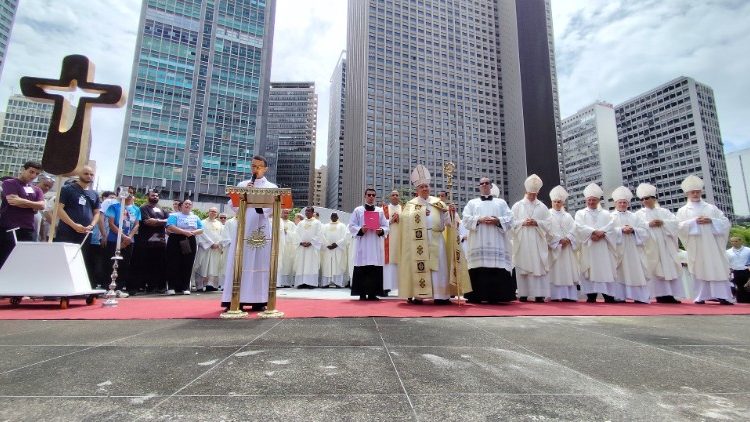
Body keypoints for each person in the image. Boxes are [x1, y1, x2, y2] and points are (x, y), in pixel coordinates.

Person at [398, 165, 470, 304]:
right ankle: (418, 295)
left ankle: (440, 295)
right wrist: (418, 214)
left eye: (426, 186)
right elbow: (404, 221)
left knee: (439, 268)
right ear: (417, 189)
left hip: (437, 238)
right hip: (418, 240)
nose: (425, 188)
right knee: (420, 267)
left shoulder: (439, 203)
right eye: (421, 187)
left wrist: (452, 212)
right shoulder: (411, 205)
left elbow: (449, 223)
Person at [221, 155, 277, 311]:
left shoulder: (272, 187)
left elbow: (272, 207)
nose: (256, 169)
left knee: (260, 262)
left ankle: (259, 300)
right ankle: (234, 299)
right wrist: (245, 195)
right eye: (253, 166)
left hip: (261, 228)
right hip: (244, 227)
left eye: (259, 166)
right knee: (240, 261)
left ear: (265, 169)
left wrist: (257, 200)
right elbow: (235, 206)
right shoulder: (243, 184)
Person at [676, 175, 734, 305]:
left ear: (701, 192)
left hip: (713, 245)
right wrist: (693, 222)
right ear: (687, 193)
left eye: (697, 191)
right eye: (693, 192)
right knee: (699, 267)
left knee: (717, 267)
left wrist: (711, 221)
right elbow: (678, 227)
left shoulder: (711, 208)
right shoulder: (683, 210)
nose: (695, 194)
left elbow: (725, 222)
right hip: (696, 245)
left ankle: (723, 296)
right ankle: (701, 296)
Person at [461, 176, 514, 303]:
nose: (484, 185)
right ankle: (477, 296)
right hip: (478, 241)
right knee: (479, 268)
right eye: (482, 183)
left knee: (496, 268)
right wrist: (479, 219)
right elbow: (466, 219)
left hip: (497, 241)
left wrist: (497, 220)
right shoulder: (472, 203)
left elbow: (511, 219)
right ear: (479, 186)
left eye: (487, 183)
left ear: (491, 186)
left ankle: (498, 297)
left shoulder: (501, 203)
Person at [635, 183, 685, 303]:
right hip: (650, 247)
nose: (645, 201)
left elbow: (675, 223)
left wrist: (663, 223)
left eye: (647, 198)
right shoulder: (638, 215)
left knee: (668, 267)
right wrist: (649, 224)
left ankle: (669, 294)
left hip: (665, 246)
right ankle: (655, 294)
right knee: (652, 269)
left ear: (653, 198)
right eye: (642, 199)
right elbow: (637, 228)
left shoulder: (664, 212)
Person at [575, 183, 622, 303]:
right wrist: (593, 232)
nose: (591, 202)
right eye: (589, 200)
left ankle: (608, 296)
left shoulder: (606, 214)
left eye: (594, 200)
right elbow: (579, 227)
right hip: (589, 247)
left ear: (598, 200)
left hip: (603, 248)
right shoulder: (580, 213)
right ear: (586, 200)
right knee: (590, 269)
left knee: (605, 269)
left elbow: (612, 227)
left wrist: (602, 234)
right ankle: (591, 296)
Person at [55, 165, 101, 288]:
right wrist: (74, 225)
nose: (89, 176)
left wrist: (91, 225)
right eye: (86, 174)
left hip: (85, 233)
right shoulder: (67, 189)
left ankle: (76, 288)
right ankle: (57, 288)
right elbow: (59, 209)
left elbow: (97, 213)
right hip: (67, 231)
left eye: (91, 174)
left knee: (81, 260)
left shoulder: (94, 194)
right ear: (80, 174)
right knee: (63, 259)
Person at [511, 174, 552, 303]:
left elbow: (549, 223)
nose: (532, 196)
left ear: (538, 192)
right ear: (526, 191)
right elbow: (511, 222)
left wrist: (537, 223)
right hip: (522, 240)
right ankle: (523, 293)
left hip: (537, 240)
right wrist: (523, 222)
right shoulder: (517, 206)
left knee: (537, 266)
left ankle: (539, 294)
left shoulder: (543, 207)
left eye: (534, 194)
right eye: (530, 194)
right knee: (523, 265)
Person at [0, 161, 45, 269]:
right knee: (5, 260)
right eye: (31, 172)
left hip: (28, 230)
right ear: (23, 170)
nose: (33, 176)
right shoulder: (9, 183)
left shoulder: (37, 189)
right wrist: (33, 206)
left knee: (23, 262)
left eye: (37, 174)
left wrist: (22, 201)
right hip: (9, 228)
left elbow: (42, 206)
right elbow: (12, 201)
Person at [610, 186, 650, 304]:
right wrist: (621, 230)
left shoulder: (635, 217)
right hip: (618, 249)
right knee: (619, 273)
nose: (622, 204)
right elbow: (608, 232)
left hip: (633, 250)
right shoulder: (610, 217)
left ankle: (639, 297)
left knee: (636, 271)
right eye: (620, 202)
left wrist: (633, 230)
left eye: (624, 202)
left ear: (628, 203)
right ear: (615, 203)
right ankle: (620, 296)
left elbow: (645, 231)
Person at [349, 189, 389, 300]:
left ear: (375, 197)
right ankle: (362, 294)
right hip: (363, 243)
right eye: (369, 195)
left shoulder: (380, 211)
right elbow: (351, 225)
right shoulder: (358, 210)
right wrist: (361, 229)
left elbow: (386, 226)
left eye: (373, 195)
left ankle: (372, 294)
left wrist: (380, 230)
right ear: (365, 196)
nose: (371, 197)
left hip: (375, 244)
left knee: (374, 268)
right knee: (362, 267)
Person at [104, 189, 141, 297]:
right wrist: (123, 236)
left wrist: (129, 237)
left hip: (129, 241)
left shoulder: (136, 209)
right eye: (127, 193)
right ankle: (109, 287)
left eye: (131, 193)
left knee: (125, 264)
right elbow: (111, 224)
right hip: (114, 239)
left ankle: (119, 288)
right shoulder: (114, 207)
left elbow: (137, 224)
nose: (129, 195)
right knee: (111, 263)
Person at [547, 186, 580, 302]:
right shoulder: (547, 215)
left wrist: (569, 239)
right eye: (555, 201)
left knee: (567, 270)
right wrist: (558, 240)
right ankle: (556, 295)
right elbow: (546, 231)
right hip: (555, 248)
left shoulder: (568, 216)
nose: (557, 203)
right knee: (556, 271)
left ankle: (569, 295)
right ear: (551, 202)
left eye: (559, 202)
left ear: (563, 203)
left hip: (567, 249)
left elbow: (574, 229)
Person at [165, 200, 203, 295]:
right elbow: (170, 226)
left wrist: (192, 232)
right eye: (186, 204)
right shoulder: (174, 215)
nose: (188, 205)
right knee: (173, 263)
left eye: (190, 204)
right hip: (175, 239)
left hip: (190, 239)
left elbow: (201, 229)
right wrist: (184, 232)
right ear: (181, 206)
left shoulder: (195, 217)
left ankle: (185, 287)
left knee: (188, 263)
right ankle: (171, 287)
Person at [137, 190, 168, 292]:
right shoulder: (143, 208)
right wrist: (161, 222)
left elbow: (169, 220)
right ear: (148, 196)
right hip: (146, 241)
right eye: (153, 195)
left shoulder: (161, 209)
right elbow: (147, 222)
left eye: (156, 195)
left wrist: (156, 221)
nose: (155, 197)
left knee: (159, 265)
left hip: (160, 241)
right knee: (146, 265)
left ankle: (159, 287)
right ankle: (147, 286)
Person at [194, 207, 228, 292]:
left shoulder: (220, 224)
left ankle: (211, 284)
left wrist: (218, 244)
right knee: (202, 265)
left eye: (215, 212)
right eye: (212, 211)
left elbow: (223, 235)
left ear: (217, 214)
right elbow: (200, 235)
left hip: (216, 249)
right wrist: (210, 244)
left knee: (214, 267)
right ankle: (200, 285)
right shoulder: (202, 222)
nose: (213, 213)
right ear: (208, 212)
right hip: (205, 248)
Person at [293, 206, 322, 288]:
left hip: (312, 248)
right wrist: (301, 243)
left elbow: (319, 234)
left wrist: (311, 242)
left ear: (313, 213)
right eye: (306, 211)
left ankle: (311, 283)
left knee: (311, 264)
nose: (307, 213)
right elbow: (296, 234)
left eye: (309, 211)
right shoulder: (301, 223)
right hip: (302, 247)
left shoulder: (317, 223)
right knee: (301, 264)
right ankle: (301, 282)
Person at [320, 212, 349, 288]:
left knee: (338, 265)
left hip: (338, 248)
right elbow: (322, 236)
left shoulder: (342, 226)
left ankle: (338, 282)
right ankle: (326, 282)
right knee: (327, 265)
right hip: (328, 249)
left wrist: (337, 244)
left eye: (335, 216)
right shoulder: (325, 226)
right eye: (332, 216)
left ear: (337, 217)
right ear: (330, 217)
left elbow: (345, 237)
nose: (333, 217)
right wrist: (327, 244)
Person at [383, 190, 402, 296]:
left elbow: (408, 222)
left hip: (400, 240)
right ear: (390, 197)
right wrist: (391, 220)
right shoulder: (384, 208)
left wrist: (400, 219)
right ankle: (386, 287)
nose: (395, 196)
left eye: (397, 195)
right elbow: (380, 223)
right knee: (388, 264)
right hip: (388, 240)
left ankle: (401, 288)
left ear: (399, 197)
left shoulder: (404, 209)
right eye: (393, 195)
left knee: (400, 263)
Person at [277, 209, 297, 288]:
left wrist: (287, 233)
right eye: (284, 213)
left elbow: (295, 235)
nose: (286, 214)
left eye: (287, 213)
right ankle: (278, 282)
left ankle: (286, 282)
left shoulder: (291, 224)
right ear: (281, 213)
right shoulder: (278, 221)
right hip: (280, 246)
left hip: (288, 248)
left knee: (287, 265)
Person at [726, 237, 750, 303]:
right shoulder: (728, 252)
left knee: (747, 287)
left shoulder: (748, 250)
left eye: (736, 241)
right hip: (734, 271)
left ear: (740, 241)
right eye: (732, 241)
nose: (734, 243)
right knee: (737, 288)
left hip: (745, 271)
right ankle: (740, 303)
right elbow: (727, 263)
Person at [33, 175, 54, 242]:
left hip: (35, 236)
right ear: (37, 183)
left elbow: (42, 220)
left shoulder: (44, 201)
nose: (47, 188)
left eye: (49, 187)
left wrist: (43, 237)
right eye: (45, 185)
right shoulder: (29, 196)